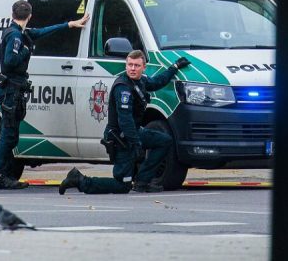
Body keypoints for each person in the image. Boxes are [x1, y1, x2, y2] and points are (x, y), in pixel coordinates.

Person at [58, 49, 191, 195]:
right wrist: (136, 145)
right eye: (130, 65)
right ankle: (80, 180)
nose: (132, 69)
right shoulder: (123, 88)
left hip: (133, 133)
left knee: (164, 141)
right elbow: (125, 120)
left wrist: (174, 67)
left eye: (136, 65)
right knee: (122, 185)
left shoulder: (140, 81)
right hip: (121, 138)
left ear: (143, 67)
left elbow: (157, 82)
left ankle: (142, 181)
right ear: (126, 65)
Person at [0, 0, 90, 190]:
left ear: (12, 14)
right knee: (8, 134)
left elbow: (42, 31)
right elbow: (10, 59)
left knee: (11, 135)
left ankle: (4, 174)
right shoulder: (15, 36)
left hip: (13, 89)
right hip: (10, 90)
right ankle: (0, 175)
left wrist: (69, 24)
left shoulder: (20, 32)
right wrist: (26, 50)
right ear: (29, 16)